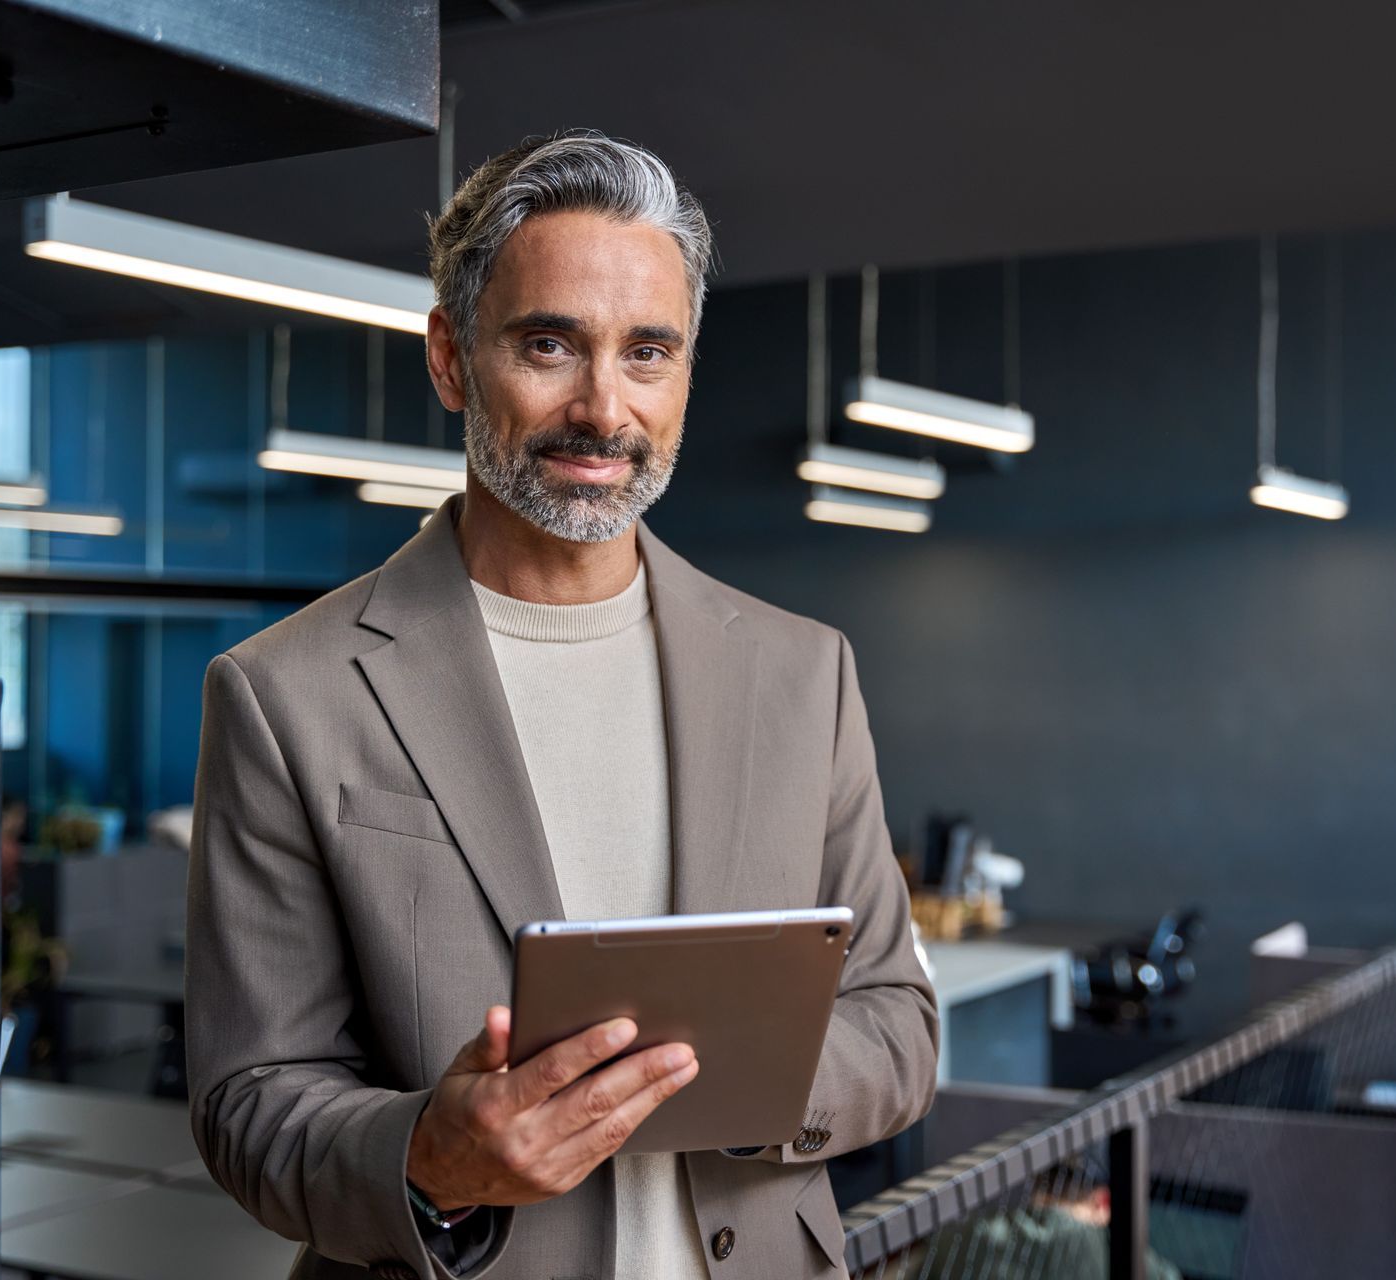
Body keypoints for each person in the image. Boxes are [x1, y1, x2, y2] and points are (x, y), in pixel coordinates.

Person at [186, 130, 939, 1280]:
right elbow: (247, 1099)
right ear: (449, 358)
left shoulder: (803, 673)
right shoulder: (286, 690)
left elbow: (899, 1019)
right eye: (549, 344)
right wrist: (429, 1157)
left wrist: (740, 1077)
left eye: (648, 352)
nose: (603, 407)